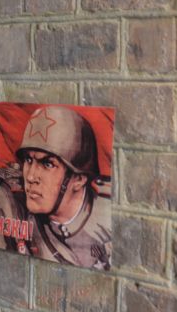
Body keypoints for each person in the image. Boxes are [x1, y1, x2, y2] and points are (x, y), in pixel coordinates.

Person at [14, 105, 111, 269]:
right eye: (28, 160)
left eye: (47, 164)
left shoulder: (107, 222)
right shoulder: (18, 212)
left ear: (79, 179)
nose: (30, 177)